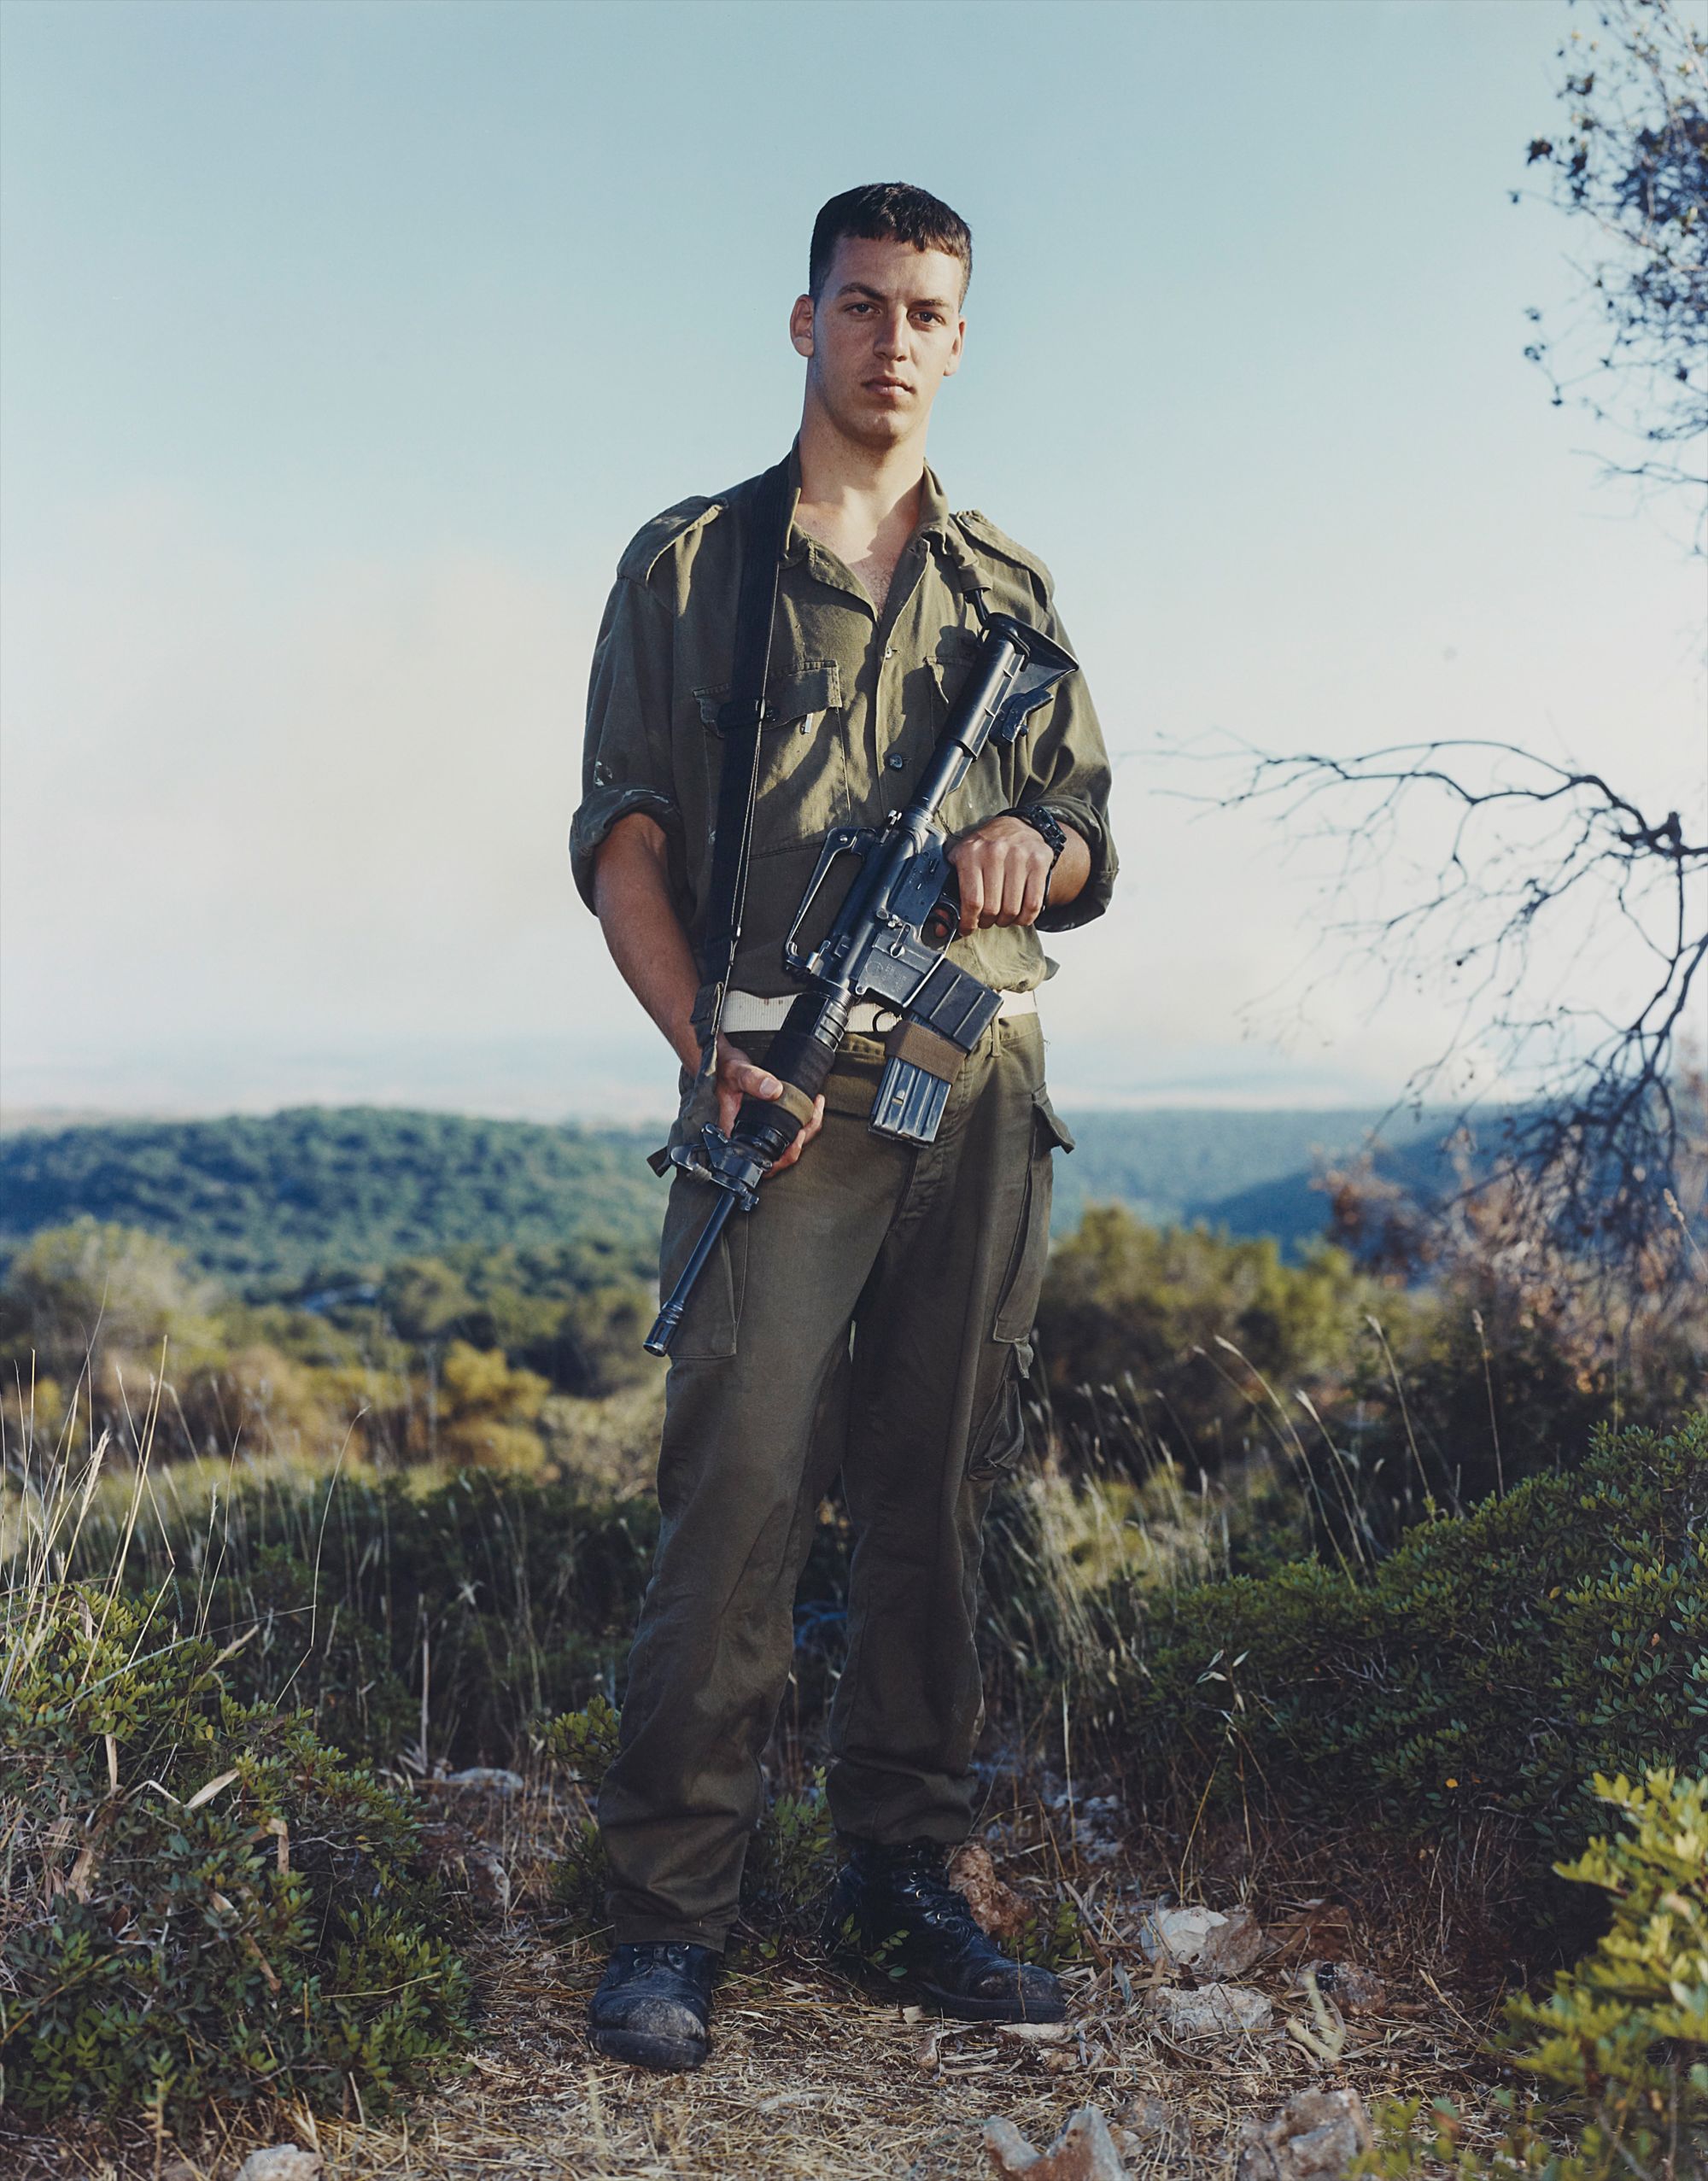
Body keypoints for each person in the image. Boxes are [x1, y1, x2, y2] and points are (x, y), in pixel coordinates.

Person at [568, 181, 1117, 2073]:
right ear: (805, 322)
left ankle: (898, 1876)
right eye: (864, 304)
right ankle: (668, 1915)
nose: (894, 340)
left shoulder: (1009, 590)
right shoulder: (692, 565)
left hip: (977, 1079)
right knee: (734, 1491)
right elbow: (621, 839)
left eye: (927, 312)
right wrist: (700, 1051)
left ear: (960, 341)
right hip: (778, 1092)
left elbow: (1089, 832)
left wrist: (1029, 844)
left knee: (932, 1491)